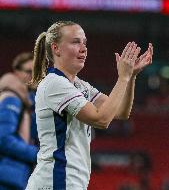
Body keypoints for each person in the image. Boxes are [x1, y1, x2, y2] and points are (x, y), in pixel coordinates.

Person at [26, 21, 153, 190]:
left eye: (84, 42)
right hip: (56, 181)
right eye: (75, 42)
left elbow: (121, 112)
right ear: (56, 48)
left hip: (68, 181)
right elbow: (102, 120)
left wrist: (131, 77)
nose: (83, 48)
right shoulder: (54, 84)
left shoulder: (80, 85)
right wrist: (122, 78)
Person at [0, 52, 38, 190]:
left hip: (16, 176)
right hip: (6, 177)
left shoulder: (29, 103)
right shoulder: (12, 98)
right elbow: (4, 139)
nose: (34, 75)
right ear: (16, 73)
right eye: (29, 71)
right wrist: (38, 154)